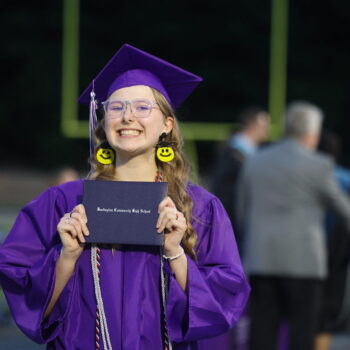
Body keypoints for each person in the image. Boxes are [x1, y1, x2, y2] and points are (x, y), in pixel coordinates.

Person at [0, 44, 250, 350]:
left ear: (166, 125)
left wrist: (176, 253)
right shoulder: (63, 202)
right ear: (104, 123)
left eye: (143, 107)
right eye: (116, 107)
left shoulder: (199, 208)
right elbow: (21, 285)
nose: (127, 117)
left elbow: (227, 297)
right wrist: (66, 256)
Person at [236, 101, 350, 350]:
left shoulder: (255, 161)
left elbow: (242, 211)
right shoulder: (319, 165)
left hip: (261, 258)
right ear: (313, 133)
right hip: (304, 262)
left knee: (262, 331)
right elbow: (343, 210)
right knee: (302, 333)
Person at [211, 106, 270, 250]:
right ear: (253, 125)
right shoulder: (236, 153)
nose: (267, 130)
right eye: (265, 125)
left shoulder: (241, 151)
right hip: (233, 220)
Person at [316, 131, 350, 350]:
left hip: (310, 248)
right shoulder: (345, 178)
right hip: (337, 249)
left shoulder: (310, 172)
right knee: (329, 308)